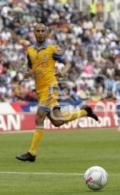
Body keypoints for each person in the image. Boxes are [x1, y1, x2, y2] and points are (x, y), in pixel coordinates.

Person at [16, 23, 99, 162]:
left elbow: (67, 63)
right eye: (38, 31)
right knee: (57, 121)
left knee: (39, 116)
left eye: (43, 30)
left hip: (51, 87)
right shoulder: (30, 50)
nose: (41, 33)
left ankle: (32, 153)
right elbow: (31, 68)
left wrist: (63, 72)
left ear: (46, 32)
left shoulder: (52, 48)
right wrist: (27, 74)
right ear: (34, 33)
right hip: (40, 90)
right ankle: (85, 112)